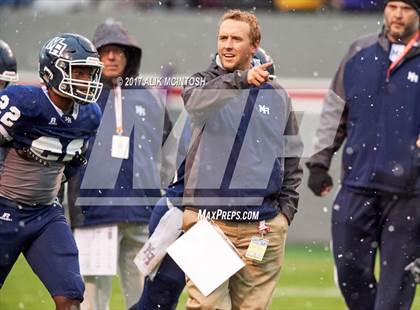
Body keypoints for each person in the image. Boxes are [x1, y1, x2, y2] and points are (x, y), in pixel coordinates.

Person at [178, 9, 302, 309]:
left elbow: (291, 158)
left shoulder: (278, 95)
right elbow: (195, 104)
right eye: (223, 38)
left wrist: (284, 214)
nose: (228, 45)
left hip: (261, 224)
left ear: (254, 45)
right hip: (208, 219)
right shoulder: (201, 82)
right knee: (205, 306)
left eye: (236, 38)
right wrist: (242, 80)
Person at [306, 1, 420, 309]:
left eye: (406, 8)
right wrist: (319, 162)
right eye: (392, 6)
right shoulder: (359, 50)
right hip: (357, 185)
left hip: (409, 195)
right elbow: (334, 109)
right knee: (349, 272)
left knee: (395, 292)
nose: (397, 14)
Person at [67, 21, 172, 310]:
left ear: (129, 56)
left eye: (118, 51)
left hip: (140, 211)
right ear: (95, 57)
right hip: (94, 211)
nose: (112, 57)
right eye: (105, 51)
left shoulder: (147, 97)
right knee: (91, 295)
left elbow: (164, 144)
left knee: (140, 293)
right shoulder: (80, 97)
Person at [0, 33, 103, 310]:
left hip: (45, 213)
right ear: (51, 70)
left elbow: (73, 162)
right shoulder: (23, 101)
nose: (85, 79)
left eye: (89, 72)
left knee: (70, 296)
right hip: (4, 207)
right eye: (78, 71)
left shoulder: (89, 115)